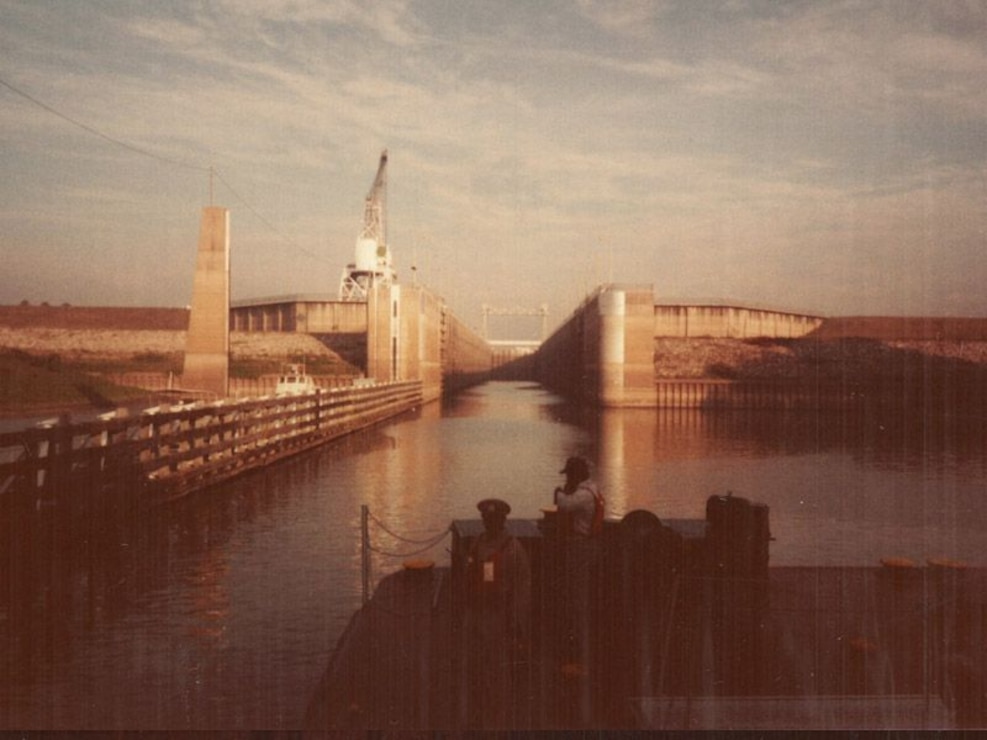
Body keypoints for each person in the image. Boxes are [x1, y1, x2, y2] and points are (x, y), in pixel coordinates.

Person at [464, 498, 532, 728]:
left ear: (501, 521)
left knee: (498, 671)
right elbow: (470, 574)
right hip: (477, 614)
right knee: (477, 666)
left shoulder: (513, 549)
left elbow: (521, 589)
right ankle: (479, 712)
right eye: (485, 519)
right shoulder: (477, 543)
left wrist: (515, 623)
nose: (488, 523)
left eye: (492, 519)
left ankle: (498, 721)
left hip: (498, 616)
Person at [551, 456, 603, 724]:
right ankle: (579, 649)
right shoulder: (592, 488)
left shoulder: (580, 495)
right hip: (586, 547)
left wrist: (558, 491)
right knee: (576, 598)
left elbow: (563, 505)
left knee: (577, 600)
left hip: (579, 548)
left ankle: (582, 656)